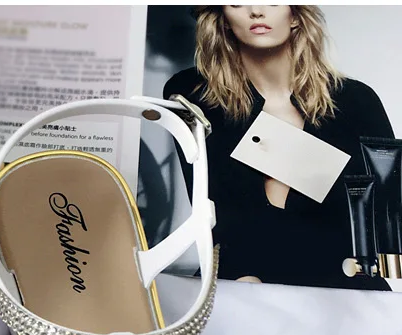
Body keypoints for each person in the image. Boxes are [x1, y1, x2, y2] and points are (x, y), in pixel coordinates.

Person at [164, 5, 394, 290]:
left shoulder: (357, 101)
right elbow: (215, 207)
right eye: (237, 2)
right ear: (223, 18)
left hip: (340, 283)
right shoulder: (195, 93)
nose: (256, 11)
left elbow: (382, 213)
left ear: (295, 15)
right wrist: (242, 278)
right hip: (242, 278)